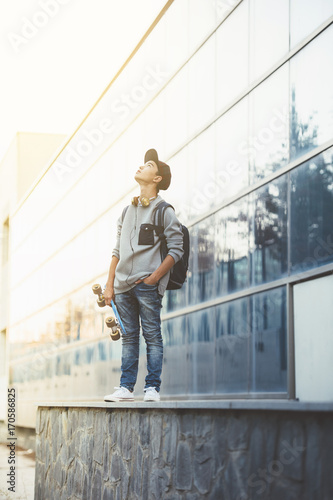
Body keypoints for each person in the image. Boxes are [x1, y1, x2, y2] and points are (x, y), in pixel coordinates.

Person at [103, 149, 184, 402]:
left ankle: (152, 388)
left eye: (148, 165)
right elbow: (117, 250)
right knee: (129, 338)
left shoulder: (164, 211)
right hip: (122, 286)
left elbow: (176, 249)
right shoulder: (126, 212)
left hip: (147, 285)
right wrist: (109, 285)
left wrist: (153, 278)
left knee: (152, 335)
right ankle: (126, 388)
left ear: (157, 179)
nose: (141, 166)